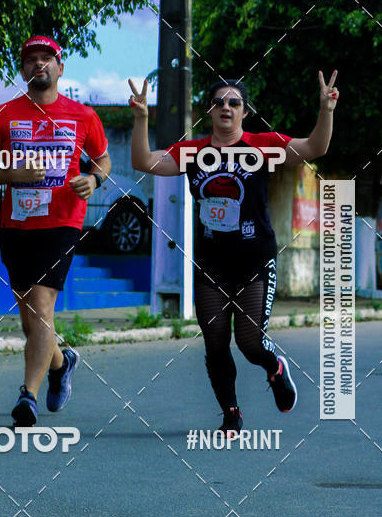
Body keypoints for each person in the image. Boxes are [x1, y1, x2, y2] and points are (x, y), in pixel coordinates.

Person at [129, 71, 339, 435]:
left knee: (250, 341)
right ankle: (230, 412)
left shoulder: (263, 146)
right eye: (219, 102)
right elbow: (144, 162)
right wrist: (142, 118)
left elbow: (314, 148)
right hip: (211, 262)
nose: (226, 107)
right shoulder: (193, 151)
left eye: (234, 102)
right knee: (214, 343)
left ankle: (274, 367)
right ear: (209, 110)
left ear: (244, 113)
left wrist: (326, 110)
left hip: (254, 259)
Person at [0, 36, 111, 425]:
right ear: (22, 70)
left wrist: (94, 181)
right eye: (31, 59)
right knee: (31, 320)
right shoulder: (3, 115)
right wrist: (13, 173)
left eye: (46, 59)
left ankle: (27, 398)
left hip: (62, 222)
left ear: (60, 68)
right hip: (17, 224)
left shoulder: (83, 116)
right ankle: (60, 362)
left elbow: (103, 161)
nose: (39, 65)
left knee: (42, 307)